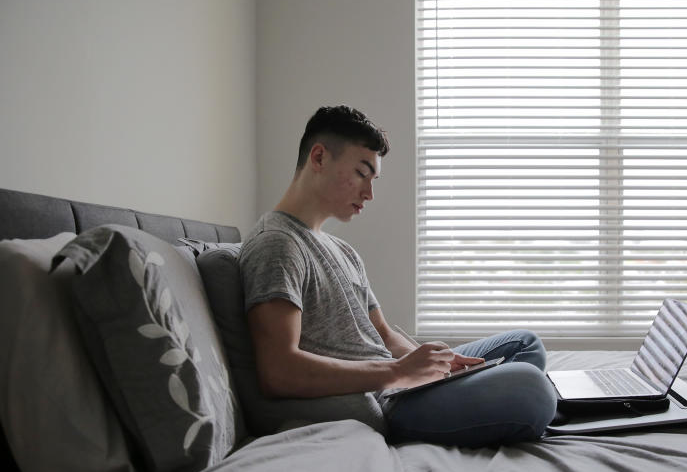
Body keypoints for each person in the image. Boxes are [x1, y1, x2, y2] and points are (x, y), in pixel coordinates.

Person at [239, 105, 557, 447]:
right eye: (362, 173)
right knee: (531, 387)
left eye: (373, 180)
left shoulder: (342, 250)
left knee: (526, 344)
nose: (369, 194)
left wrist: (438, 368)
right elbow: (279, 371)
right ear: (318, 158)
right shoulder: (277, 245)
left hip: (399, 384)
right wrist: (400, 374)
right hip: (385, 403)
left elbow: (383, 334)